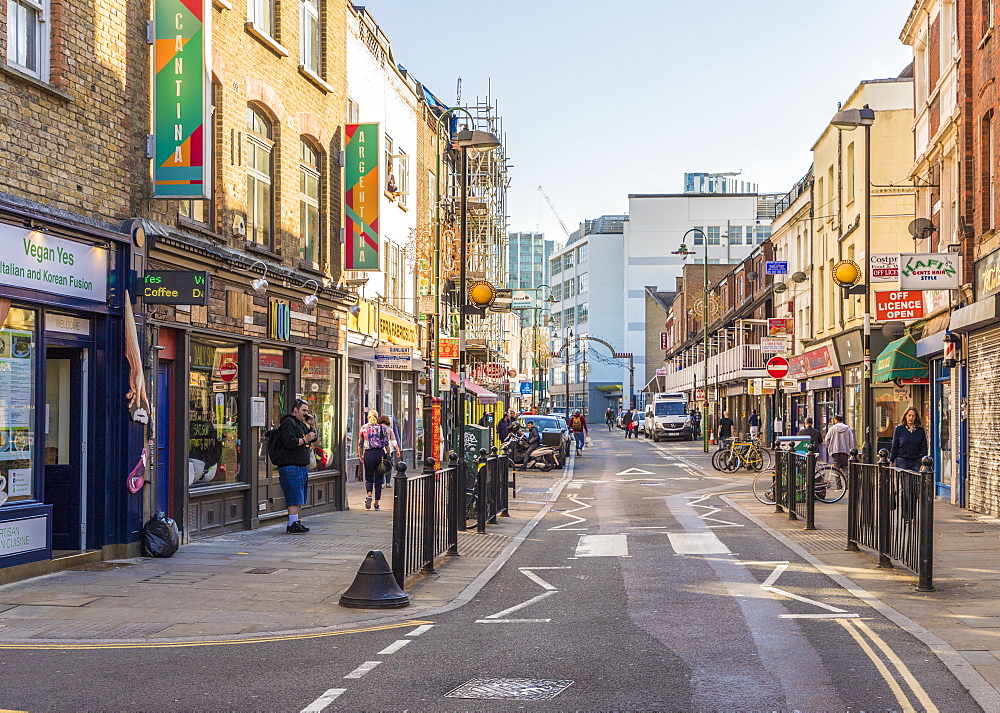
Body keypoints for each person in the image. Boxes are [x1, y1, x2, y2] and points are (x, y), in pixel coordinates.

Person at [269, 399, 317, 534]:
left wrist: (312, 426)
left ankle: (295, 521)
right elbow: (289, 442)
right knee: (293, 496)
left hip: (300, 467)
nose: (306, 413)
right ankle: (292, 523)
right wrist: (305, 439)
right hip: (290, 467)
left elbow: (313, 438)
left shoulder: (301, 424)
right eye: (304, 410)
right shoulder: (288, 423)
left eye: (307, 411)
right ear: (295, 410)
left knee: (298, 496)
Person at [357, 410, 393, 510]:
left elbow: (360, 444)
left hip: (368, 453)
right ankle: (376, 504)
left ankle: (369, 495)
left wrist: (360, 456)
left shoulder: (364, 428)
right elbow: (386, 444)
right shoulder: (382, 428)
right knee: (379, 479)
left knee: (368, 477)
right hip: (379, 454)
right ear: (377, 417)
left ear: (368, 417)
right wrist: (388, 456)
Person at [889, 407, 928, 472]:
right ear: (905, 416)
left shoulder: (920, 431)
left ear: (916, 417)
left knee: (915, 481)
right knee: (905, 481)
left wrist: (923, 463)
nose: (911, 418)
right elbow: (895, 446)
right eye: (909, 415)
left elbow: (924, 447)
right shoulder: (899, 429)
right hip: (902, 461)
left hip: (916, 461)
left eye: (913, 416)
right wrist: (891, 460)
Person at [376, 415, 402, 488]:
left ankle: (381, 483)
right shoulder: (389, 429)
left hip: (379, 449)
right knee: (388, 465)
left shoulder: (377, 429)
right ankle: (388, 482)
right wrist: (397, 450)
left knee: (380, 466)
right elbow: (393, 441)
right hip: (388, 450)